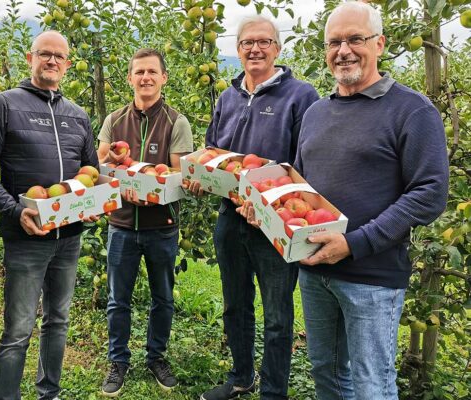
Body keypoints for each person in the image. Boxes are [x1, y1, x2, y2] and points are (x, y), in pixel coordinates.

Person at [291, 2, 449, 399]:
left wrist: (355, 243)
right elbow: (297, 185)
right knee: (327, 375)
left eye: (355, 39)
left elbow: (430, 193)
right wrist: (264, 208)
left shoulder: (411, 111)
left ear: (379, 44)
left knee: (370, 385)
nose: (343, 50)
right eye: (334, 42)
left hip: (372, 278)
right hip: (315, 272)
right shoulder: (315, 113)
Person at [191, 16, 320, 400]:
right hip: (231, 217)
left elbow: (304, 163)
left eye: (264, 42)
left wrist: (269, 200)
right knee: (235, 305)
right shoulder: (228, 96)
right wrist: (201, 173)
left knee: (278, 316)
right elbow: (213, 151)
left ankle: (274, 392)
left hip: (276, 221)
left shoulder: (301, 96)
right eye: (247, 42)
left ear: (277, 49)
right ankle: (241, 376)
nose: (255, 49)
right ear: (238, 49)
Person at [0, 30, 99, 400]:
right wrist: (14, 211)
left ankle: (50, 393)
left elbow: (90, 172)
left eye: (60, 56)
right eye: (45, 54)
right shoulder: (6, 104)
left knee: (57, 321)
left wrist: (89, 206)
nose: (52, 61)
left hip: (69, 239)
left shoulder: (77, 114)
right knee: (18, 330)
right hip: (27, 238)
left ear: (68, 65)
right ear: (31, 58)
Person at [96, 48, 193, 397]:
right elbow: (100, 166)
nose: (146, 78)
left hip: (161, 225)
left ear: (164, 78)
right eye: (139, 72)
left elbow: (178, 175)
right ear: (130, 78)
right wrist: (123, 185)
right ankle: (118, 360)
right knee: (117, 298)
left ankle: (156, 357)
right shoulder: (113, 120)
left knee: (162, 297)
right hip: (121, 223)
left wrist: (148, 190)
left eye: (152, 72)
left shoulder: (176, 122)